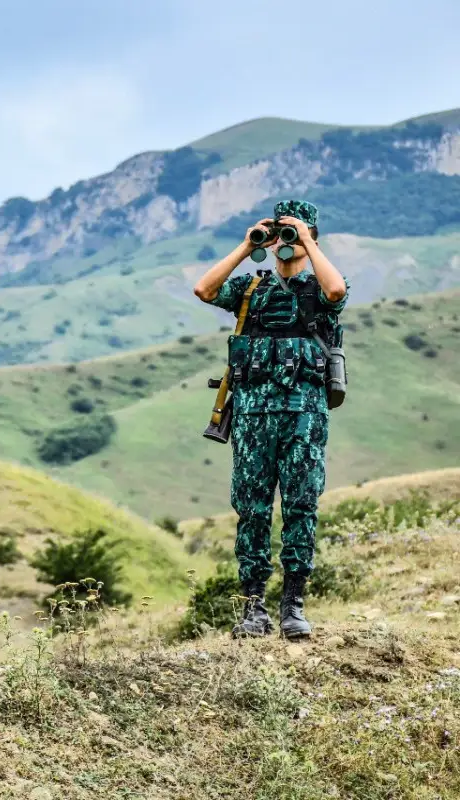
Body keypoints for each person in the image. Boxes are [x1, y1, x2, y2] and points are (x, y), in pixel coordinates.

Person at [192, 199, 348, 640]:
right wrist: (247, 246)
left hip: (303, 419)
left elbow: (336, 292)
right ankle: (253, 607)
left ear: (310, 238)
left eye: (292, 234)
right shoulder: (251, 290)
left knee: (301, 507)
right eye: (279, 234)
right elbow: (204, 290)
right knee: (252, 511)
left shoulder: (319, 290)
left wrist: (307, 240)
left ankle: (293, 605)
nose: (284, 242)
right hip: (253, 419)